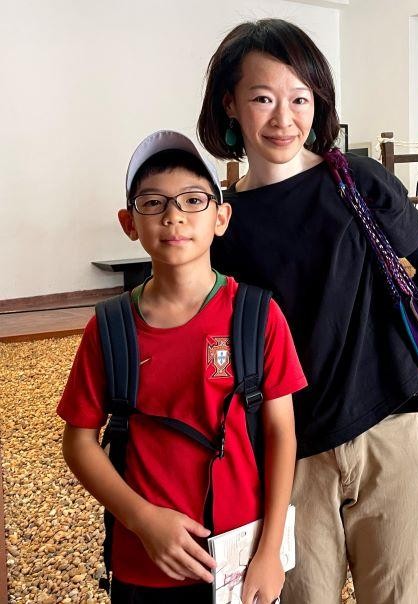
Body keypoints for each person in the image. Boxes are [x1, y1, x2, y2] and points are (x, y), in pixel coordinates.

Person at [198, 18, 418, 604]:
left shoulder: (355, 182)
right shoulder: (225, 224)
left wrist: (381, 342)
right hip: (292, 454)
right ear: (230, 104)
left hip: (390, 433)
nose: (283, 119)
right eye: (263, 98)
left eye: (299, 98)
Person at [59, 130, 307, 604]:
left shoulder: (256, 317)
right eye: (153, 203)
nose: (173, 216)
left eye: (193, 200)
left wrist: (271, 549)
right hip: (143, 562)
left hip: (240, 561)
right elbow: (79, 442)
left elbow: (281, 433)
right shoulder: (111, 329)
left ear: (221, 217)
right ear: (129, 223)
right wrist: (142, 520)